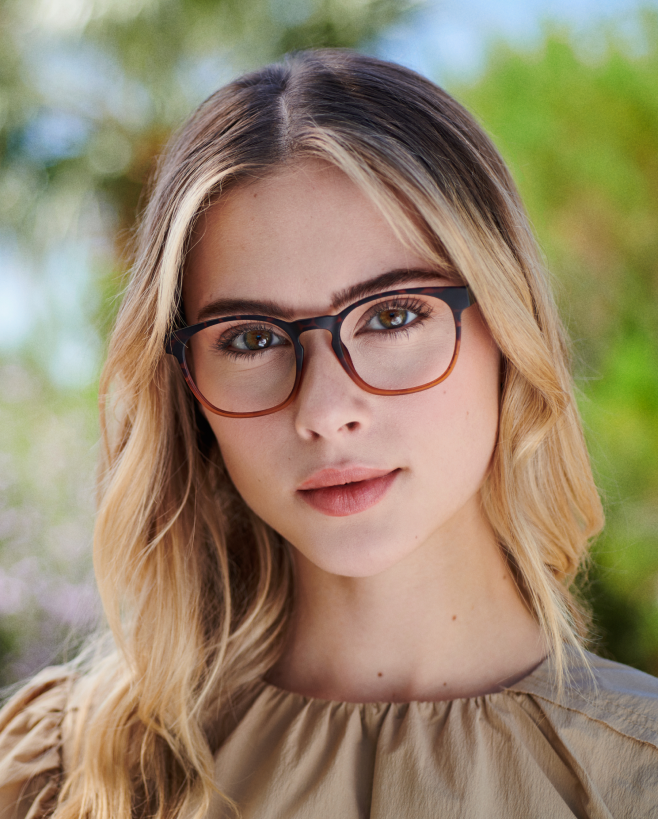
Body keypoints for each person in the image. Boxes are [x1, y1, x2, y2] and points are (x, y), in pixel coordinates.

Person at [1, 48, 657, 819]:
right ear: (187, 384)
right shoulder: (70, 771)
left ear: (509, 328)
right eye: (250, 338)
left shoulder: (636, 776)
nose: (324, 409)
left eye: (393, 315)